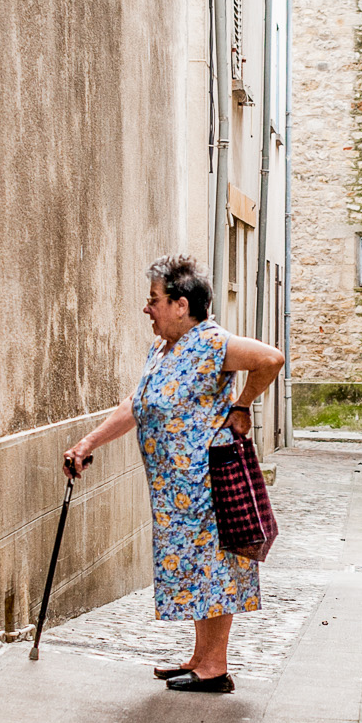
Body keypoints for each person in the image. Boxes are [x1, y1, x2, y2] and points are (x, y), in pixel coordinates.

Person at [64, 254, 284, 694]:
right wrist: (88, 444)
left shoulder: (210, 342)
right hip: (173, 491)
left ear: (181, 305)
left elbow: (271, 359)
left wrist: (242, 405)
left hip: (206, 484)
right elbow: (135, 404)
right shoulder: (162, 349)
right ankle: (200, 659)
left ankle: (214, 668)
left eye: (154, 300)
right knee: (197, 569)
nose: (148, 309)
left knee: (215, 569)